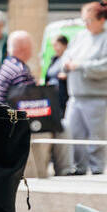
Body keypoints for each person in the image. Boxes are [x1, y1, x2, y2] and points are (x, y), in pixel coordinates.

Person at [60, 0, 107, 176]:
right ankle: (78, 166)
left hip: (97, 96)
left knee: (96, 135)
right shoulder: (81, 36)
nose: (86, 24)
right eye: (84, 21)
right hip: (77, 94)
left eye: (89, 21)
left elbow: (106, 67)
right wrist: (67, 65)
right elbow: (67, 55)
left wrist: (79, 66)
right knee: (73, 132)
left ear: (102, 20)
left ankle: (97, 169)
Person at [45, 34, 73, 175]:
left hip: (62, 98)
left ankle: (65, 165)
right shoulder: (54, 59)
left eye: (56, 45)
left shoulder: (68, 59)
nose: (54, 48)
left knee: (63, 127)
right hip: (52, 98)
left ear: (64, 45)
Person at [0, 30, 36, 104]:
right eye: (31, 46)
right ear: (24, 49)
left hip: (3, 111)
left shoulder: (8, 62)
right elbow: (28, 101)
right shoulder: (20, 70)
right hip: (11, 113)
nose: (33, 49)